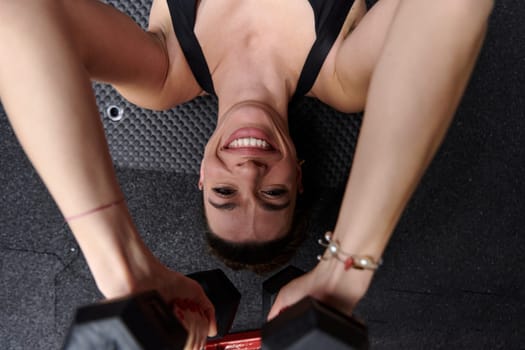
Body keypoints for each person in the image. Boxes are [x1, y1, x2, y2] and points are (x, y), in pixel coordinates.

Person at [0, 0, 494, 348]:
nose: (250, 171)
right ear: (299, 176)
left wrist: (122, 266)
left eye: (225, 193)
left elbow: (16, 15)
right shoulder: (344, 76)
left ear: (201, 174)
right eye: (274, 193)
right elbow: (450, 6)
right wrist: (345, 271)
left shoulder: (164, 74)